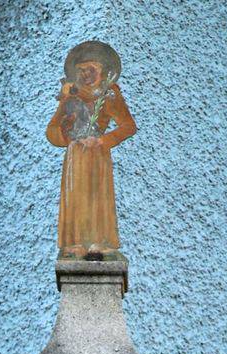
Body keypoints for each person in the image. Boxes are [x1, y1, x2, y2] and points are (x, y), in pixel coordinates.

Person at [46, 40, 137, 259]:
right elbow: (53, 130)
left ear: (102, 70)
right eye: (81, 70)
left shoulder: (109, 93)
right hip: (76, 155)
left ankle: (100, 241)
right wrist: (66, 133)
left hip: (97, 154)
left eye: (91, 69)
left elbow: (128, 126)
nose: (86, 74)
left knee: (97, 195)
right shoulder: (71, 95)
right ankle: (76, 242)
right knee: (75, 194)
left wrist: (102, 141)